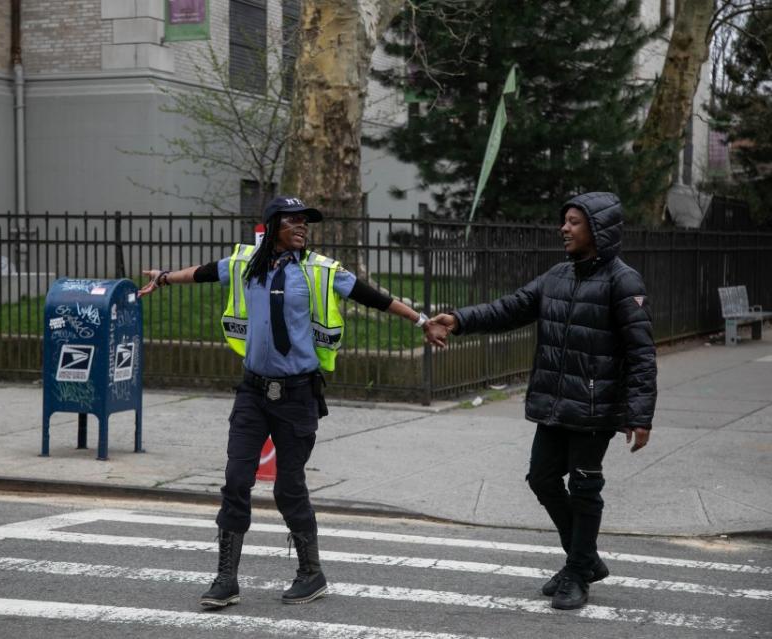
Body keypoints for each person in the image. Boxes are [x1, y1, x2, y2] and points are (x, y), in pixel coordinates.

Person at [139, 195, 448, 609]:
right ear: (273, 225)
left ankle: (311, 572)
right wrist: (163, 278)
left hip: (298, 394)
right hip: (253, 391)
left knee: (288, 487)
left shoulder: (320, 271)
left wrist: (421, 321)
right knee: (235, 481)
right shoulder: (245, 263)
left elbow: (371, 296)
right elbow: (204, 272)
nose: (302, 227)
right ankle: (226, 579)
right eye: (293, 221)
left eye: (306, 222)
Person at [431, 191, 657, 610]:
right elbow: (510, 308)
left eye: (573, 222)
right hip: (555, 402)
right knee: (541, 478)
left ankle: (577, 571)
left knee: (586, 488)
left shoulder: (623, 281)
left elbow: (642, 352)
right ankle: (585, 558)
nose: (564, 229)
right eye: (564, 221)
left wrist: (640, 414)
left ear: (597, 228)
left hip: (595, 408)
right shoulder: (557, 275)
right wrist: (459, 319)